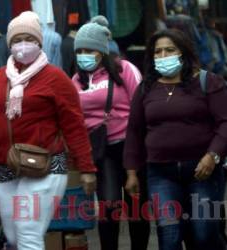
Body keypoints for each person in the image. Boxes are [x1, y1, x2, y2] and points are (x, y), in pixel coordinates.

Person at [0, 11, 97, 250]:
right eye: (17, 39)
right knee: (14, 236)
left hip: (46, 166)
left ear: (39, 42)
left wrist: (87, 168)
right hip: (4, 167)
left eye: (29, 39)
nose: (23, 45)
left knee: (28, 231)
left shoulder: (56, 79)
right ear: (9, 44)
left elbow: (75, 126)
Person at [124, 28, 227, 250]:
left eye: (169, 50)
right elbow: (134, 131)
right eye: (158, 52)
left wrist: (213, 156)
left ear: (183, 53)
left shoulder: (208, 82)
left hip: (203, 173)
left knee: (203, 234)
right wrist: (132, 172)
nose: (163, 56)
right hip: (161, 174)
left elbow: (224, 123)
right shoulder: (146, 89)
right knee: (169, 236)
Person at [72, 17, 150, 250]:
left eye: (90, 50)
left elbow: (141, 105)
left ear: (102, 51)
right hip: (101, 149)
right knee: (108, 205)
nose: (84, 54)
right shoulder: (76, 80)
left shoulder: (124, 69)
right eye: (80, 50)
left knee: (136, 206)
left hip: (130, 145)